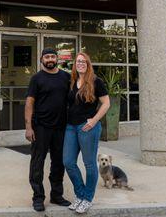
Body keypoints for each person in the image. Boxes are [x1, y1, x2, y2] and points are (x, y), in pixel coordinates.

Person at [25, 48, 72, 212]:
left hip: (61, 127)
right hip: (40, 127)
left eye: (52, 56)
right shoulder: (36, 79)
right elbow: (29, 103)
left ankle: (57, 195)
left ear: (57, 59)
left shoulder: (66, 77)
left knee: (59, 163)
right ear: (41, 59)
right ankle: (38, 197)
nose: (50, 59)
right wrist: (28, 127)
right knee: (37, 162)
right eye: (47, 57)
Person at [63, 52, 110, 214]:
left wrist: (94, 120)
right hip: (70, 127)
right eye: (78, 61)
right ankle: (80, 194)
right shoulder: (72, 81)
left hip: (87, 127)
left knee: (89, 164)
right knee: (68, 161)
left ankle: (87, 199)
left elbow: (106, 103)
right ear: (75, 65)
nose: (80, 64)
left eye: (83, 61)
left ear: (88, 64)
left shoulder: (96, 82)